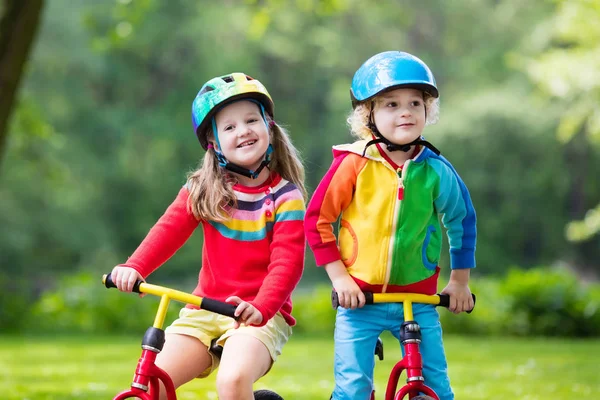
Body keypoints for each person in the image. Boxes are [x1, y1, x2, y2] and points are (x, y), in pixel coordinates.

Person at [110, 72, 306, 400]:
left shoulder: (285, 197)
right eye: (229, 127)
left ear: (268, 127)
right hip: (203, 309)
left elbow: (287, 263)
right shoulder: (204, 189)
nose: (243, 131)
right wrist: (135, 266)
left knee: (231, 382)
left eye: (250, 120)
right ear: (213, 142)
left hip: (259, 314)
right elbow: (168, 230)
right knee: (152, 385)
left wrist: (262, 306)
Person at [304, 51, 477, 400]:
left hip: (417, 297)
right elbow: (317, 220)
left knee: (436, 389)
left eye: (416, 102)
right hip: (359, 300)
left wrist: (459, 282)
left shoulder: (436, 170)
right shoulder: (353, 163)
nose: (406, 112)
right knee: (352, 389)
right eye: (391, 104)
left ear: (428, 110)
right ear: (367, 115)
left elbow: (461, 222)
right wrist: (340, 279)